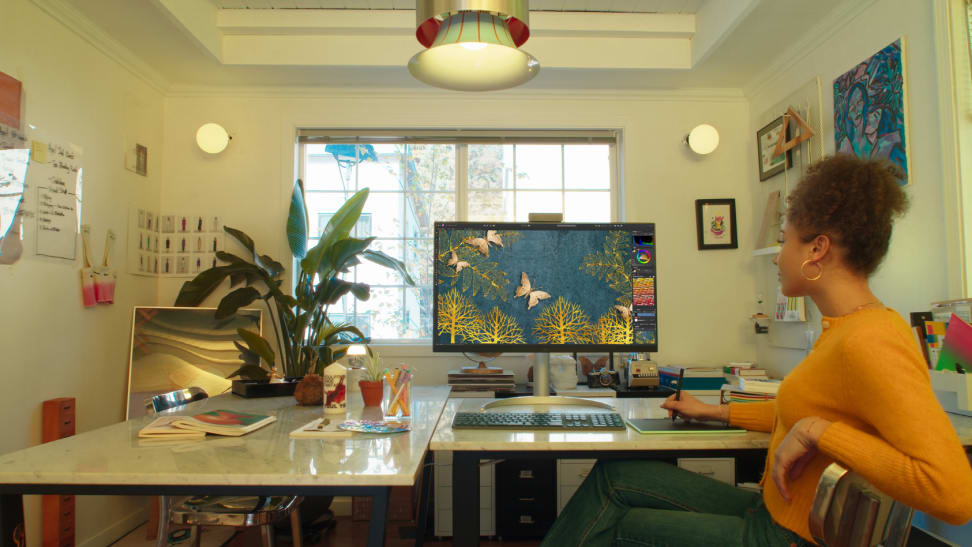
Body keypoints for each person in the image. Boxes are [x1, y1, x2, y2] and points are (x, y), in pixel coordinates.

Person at [541, 154, 972, 546]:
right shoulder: (844, 330)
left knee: (616, 526)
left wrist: (819, 433)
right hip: (775, 512)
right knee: (612, 478)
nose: (777, 256)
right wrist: (714, 412)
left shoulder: (871, 339)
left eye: (786, 241)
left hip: (790, 535)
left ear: (817, 249)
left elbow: (953, 493)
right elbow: (806, 409)